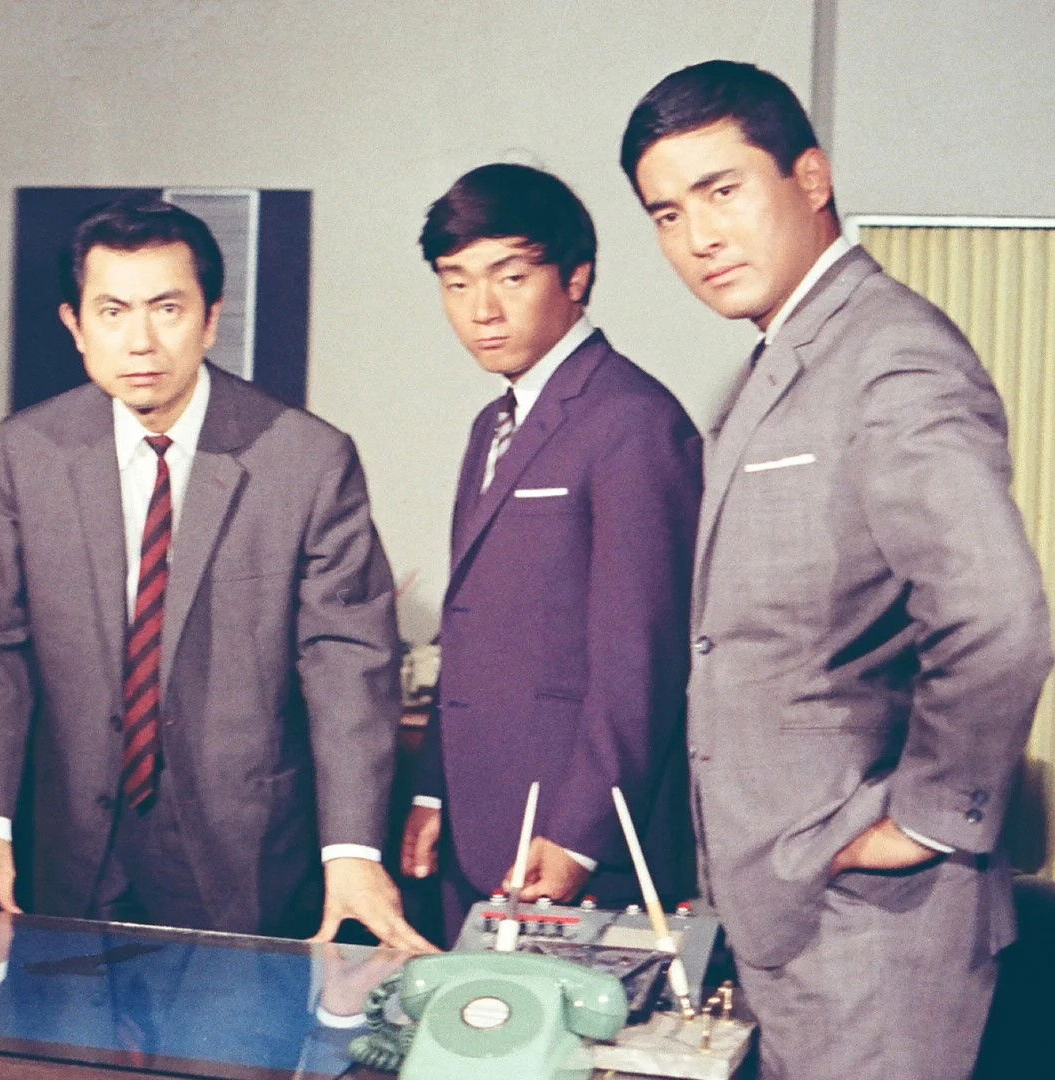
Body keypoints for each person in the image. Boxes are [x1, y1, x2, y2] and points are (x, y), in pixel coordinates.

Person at [621, 60, 1052, 1080]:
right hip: (789, 910)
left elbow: (997, 614)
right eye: (668, 214)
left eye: (722, 191)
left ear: (810, 178)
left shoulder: (891, 353)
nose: (699, 237)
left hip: (875, 923)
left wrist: (927, 820)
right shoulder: (775, 360)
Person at [0, 196, 427, 950]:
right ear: (75, 326)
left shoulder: (306, 459)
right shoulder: (27, 450)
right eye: (112, 312)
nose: (141, 341)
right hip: (68, 843)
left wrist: (353, 851)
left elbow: (349, 665)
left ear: (210, 319)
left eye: (167, 309)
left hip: (246, 851)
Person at [399, 163, 699, 942]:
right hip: (478, 826)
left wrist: (580, 835)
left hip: (573, 842)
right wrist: (434, 791)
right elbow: (469, 627)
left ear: (576, 276)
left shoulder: (634, 421)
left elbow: (643, 661)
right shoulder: (491, 424)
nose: (481, 310)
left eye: (511, 277)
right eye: (456, 282)